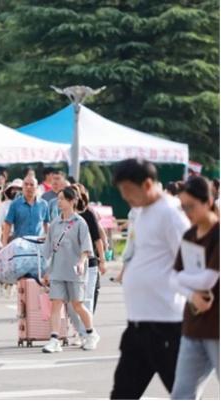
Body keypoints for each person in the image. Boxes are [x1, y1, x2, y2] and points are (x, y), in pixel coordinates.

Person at [110, 159, 190, 399]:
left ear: (147, 184)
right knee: (123, 394)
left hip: (166, 324)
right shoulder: (142, 212)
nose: (125, 198)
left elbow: (190, 261)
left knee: (182, 394)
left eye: (128, 191)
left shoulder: (171, 214)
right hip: (138, 324)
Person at [169, 177, 219, 399]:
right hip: (193, 326)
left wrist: (183, 280)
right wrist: (190, 294)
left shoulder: (217, 235)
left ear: (208, 202)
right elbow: (171, 277)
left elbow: (209, 279)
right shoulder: (189, 235)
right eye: (183, 207)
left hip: (217, 327)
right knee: (181, 394)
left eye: (191, 206)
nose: (187, 212)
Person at [42, 186, 98, 353]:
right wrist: (47, 271)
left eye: (62, 199)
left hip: (75, 271)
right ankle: (54, 340)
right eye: (58, 199)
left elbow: (86, 248)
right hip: (57, 270)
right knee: (55, 305)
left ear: (72, 201)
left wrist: (81, 262)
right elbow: (49, 249)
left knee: (77, 305)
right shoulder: (55, 223)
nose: (59, 202)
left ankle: (90, 334)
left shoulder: (80, 223)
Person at [65, 183, 106, 347]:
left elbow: (97, 239)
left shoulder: (88, 214)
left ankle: (87, 334)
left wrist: (102, 260)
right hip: (69, 264)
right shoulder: (64, 216)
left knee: (86, 300)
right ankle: (82, 331)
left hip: (89, 264)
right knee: (70, 303)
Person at [2, 176, 50, 246]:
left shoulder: (44, 204)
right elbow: (8, 225)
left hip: (37, 244)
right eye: (26, 184)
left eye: (31, 185)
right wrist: (4, 244)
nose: (28, 187)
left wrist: (49, 241)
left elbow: (46, 223)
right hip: (19, 244)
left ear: (36, 187)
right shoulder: (15, 204)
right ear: (22, 187)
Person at [0, 179, 23, 249]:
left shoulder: (28, 205)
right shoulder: (5, 205)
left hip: (23, 240)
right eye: (14, 189)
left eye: (19, 189)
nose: (16, 191)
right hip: (8, 238)